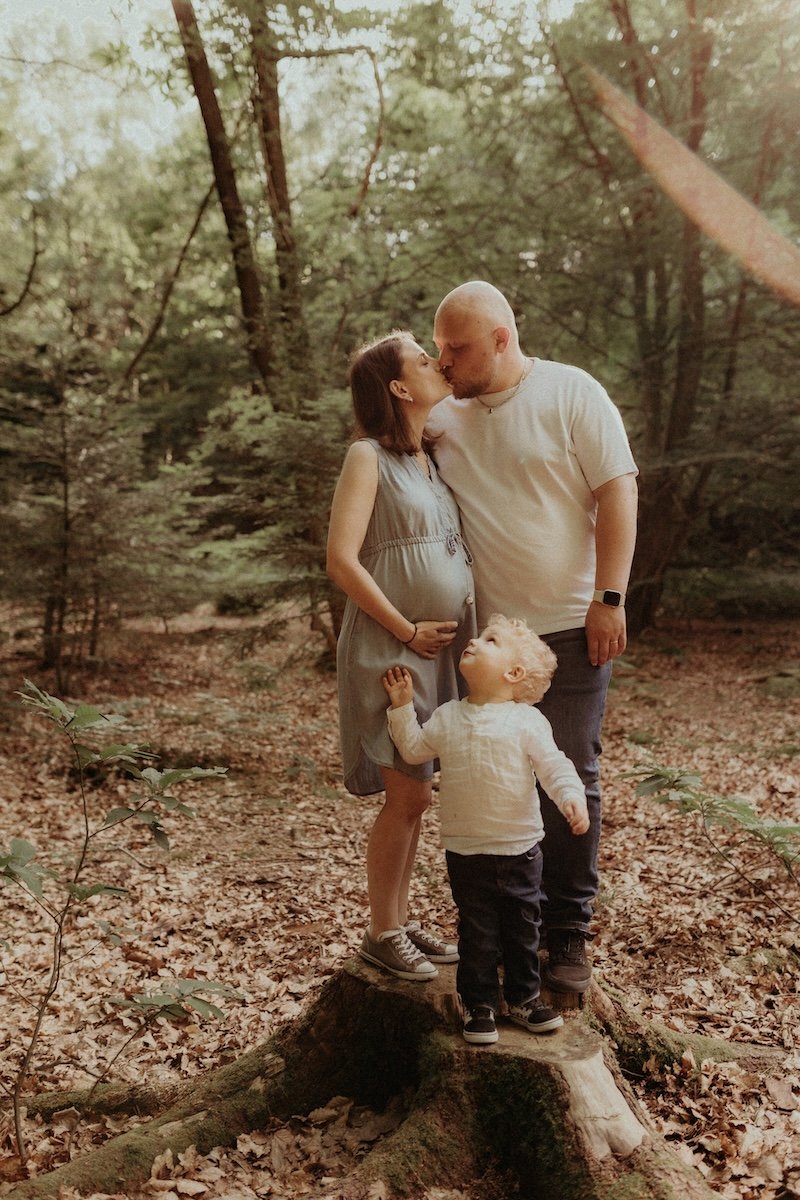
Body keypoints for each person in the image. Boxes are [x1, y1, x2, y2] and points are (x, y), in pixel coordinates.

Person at [428, 280, 638, 994]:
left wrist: (610, 597)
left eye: (455, 348)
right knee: (493, 782)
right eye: (437, 349)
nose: (444, 360)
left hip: (573, 627)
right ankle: (498, 931)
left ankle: (567, 933)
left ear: (500, 339)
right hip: (489, 642)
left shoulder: (573, 393)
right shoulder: (443, 418)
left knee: (570, 773)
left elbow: (618, 488)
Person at [326, 330, 477, 983]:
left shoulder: (428, 460)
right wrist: (407, 629)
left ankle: (399, 919)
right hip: (390, 649)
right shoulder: (368, 457)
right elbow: (341, 561)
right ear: (397, 387)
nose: (435, 363)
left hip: (433, 652)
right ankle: (381, 932)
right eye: (422, 359)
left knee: (418, 795)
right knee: (406, 795)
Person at [383, 614, 589, 1044]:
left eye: (490, 640)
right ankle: (479, 1005)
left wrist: (571, 797)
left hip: (521, 848)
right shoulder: (448, 716)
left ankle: (525, 998)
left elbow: (553, 766)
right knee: (476, 931)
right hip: (466, 848)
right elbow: (414, 748)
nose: (475, 640)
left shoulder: (527, 721)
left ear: (513, 673)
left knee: (522, 928)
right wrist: (402, 707)